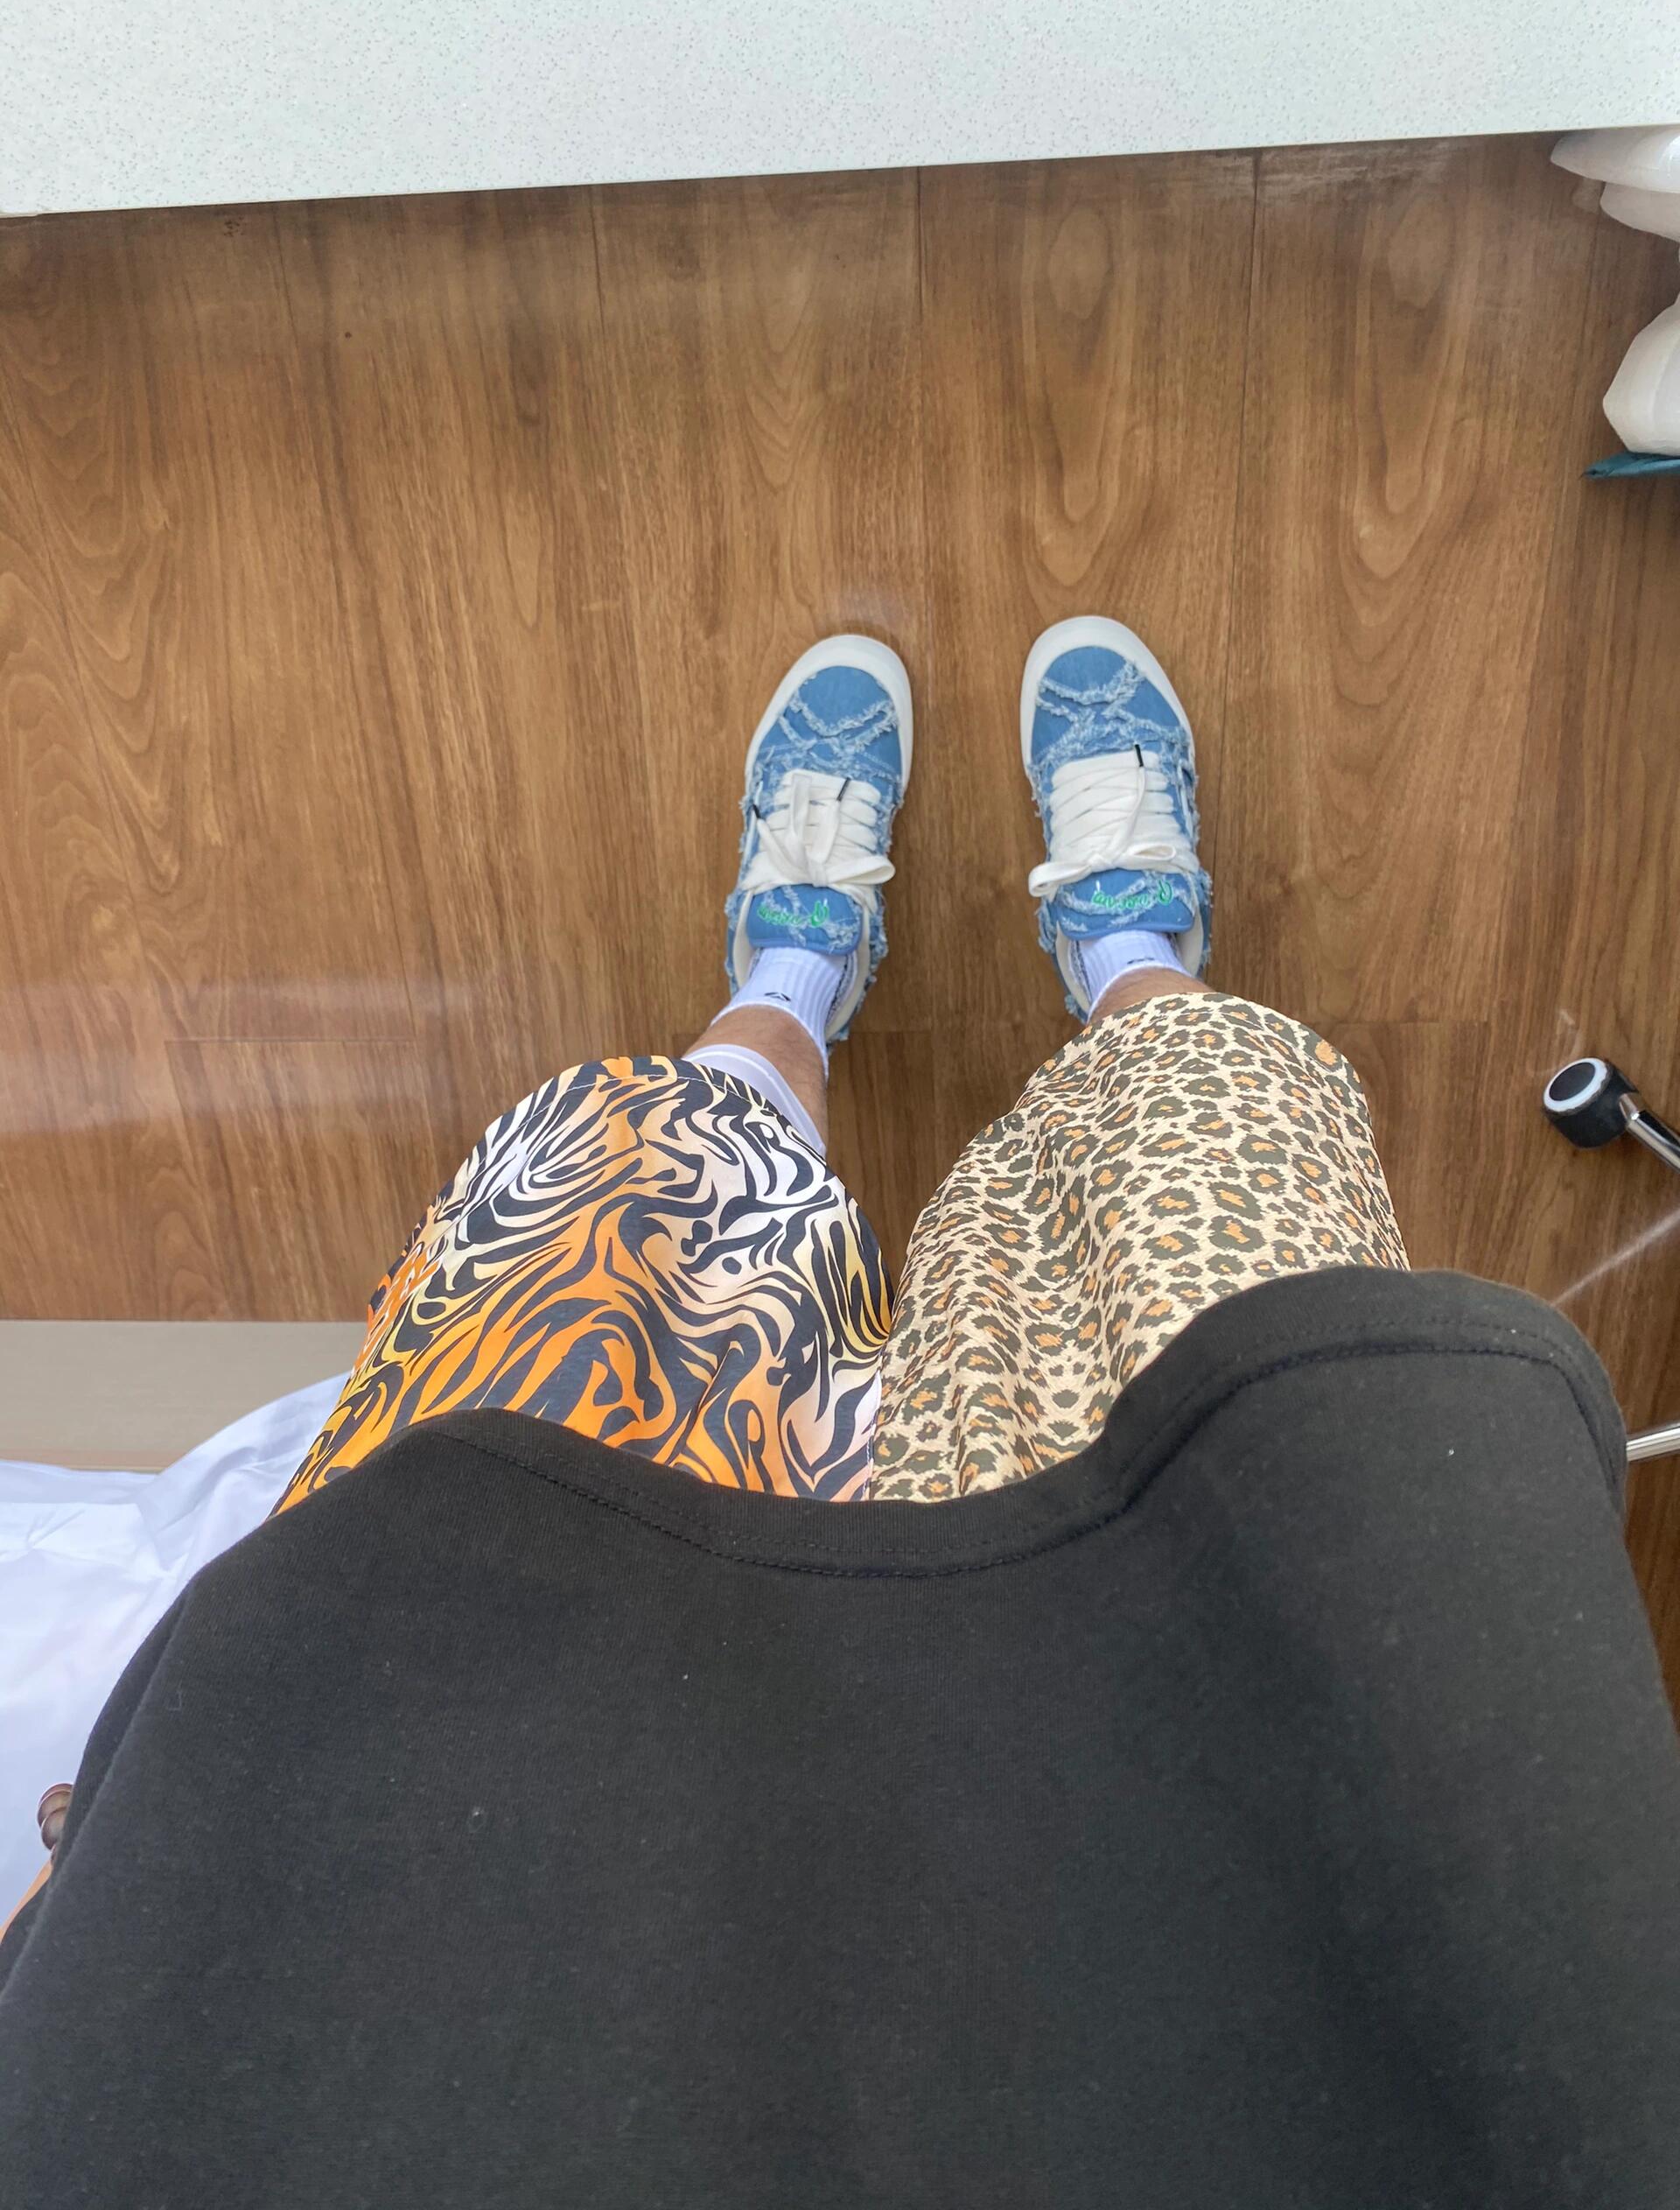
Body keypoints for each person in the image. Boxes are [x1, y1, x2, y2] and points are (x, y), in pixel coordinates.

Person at [2, 620, 1676, 2206]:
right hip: (1212, 1846)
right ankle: (1132, 957)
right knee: (1232, 1250)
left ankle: (794, 977)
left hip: (411, 1880)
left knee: (611, 1234)